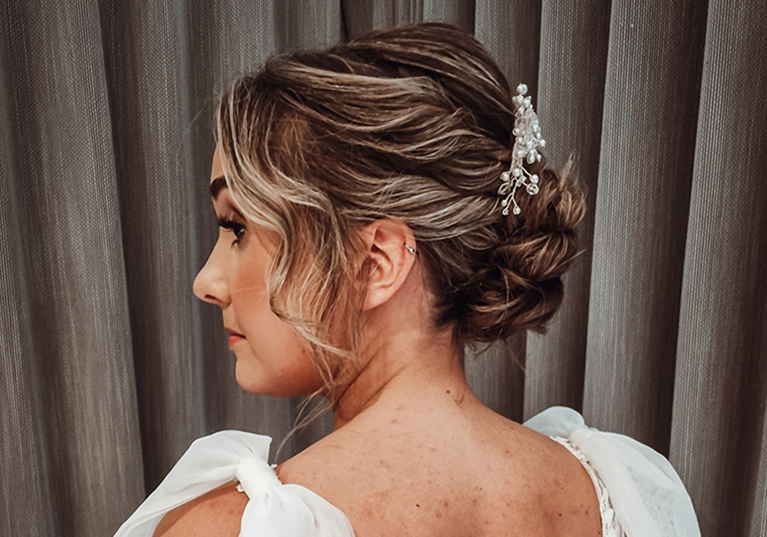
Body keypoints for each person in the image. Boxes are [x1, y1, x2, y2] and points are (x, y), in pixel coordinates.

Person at [115, 22, 700, 537]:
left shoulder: (233, 529)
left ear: (379, 263)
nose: (207, 282)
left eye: (236, 228)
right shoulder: (623, 493)